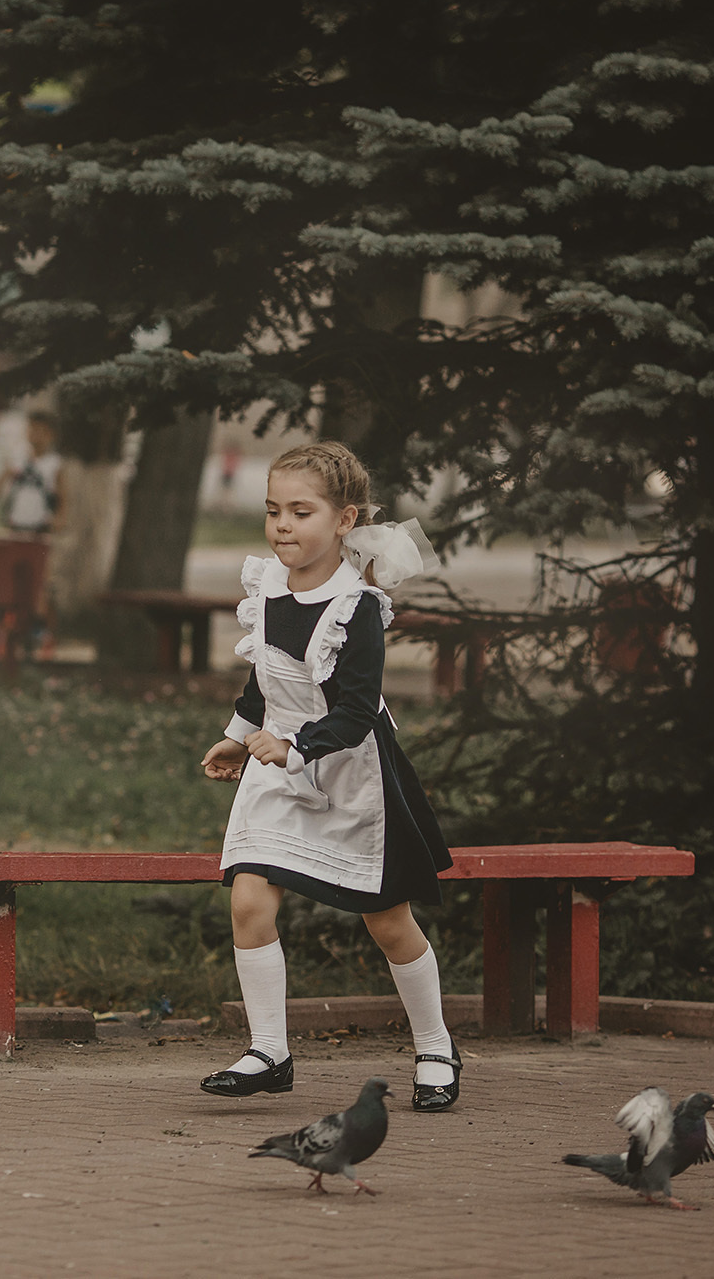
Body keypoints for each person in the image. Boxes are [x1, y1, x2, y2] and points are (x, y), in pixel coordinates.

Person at [197, 441, 461, 1112]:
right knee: (249, 898)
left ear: (344, 520)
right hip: (277, 766)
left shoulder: (358, 607)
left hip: (351, 775)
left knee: (388, 921)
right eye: (273, 510)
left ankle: (434, 1044)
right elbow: (265, 683)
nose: (283, 525)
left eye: (301, 511)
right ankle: (269, 1050)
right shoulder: (266, 589)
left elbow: (353, 710)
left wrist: (292, 748)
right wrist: (235, 740)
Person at [0, 410, 62, 536]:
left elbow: (62, 497)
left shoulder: (55, 463)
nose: (34, 435)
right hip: (15, 523)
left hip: (42, 526)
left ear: (50, 435)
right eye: (31, 429)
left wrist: (60, 518)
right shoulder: (18, 459)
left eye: (39, 431)